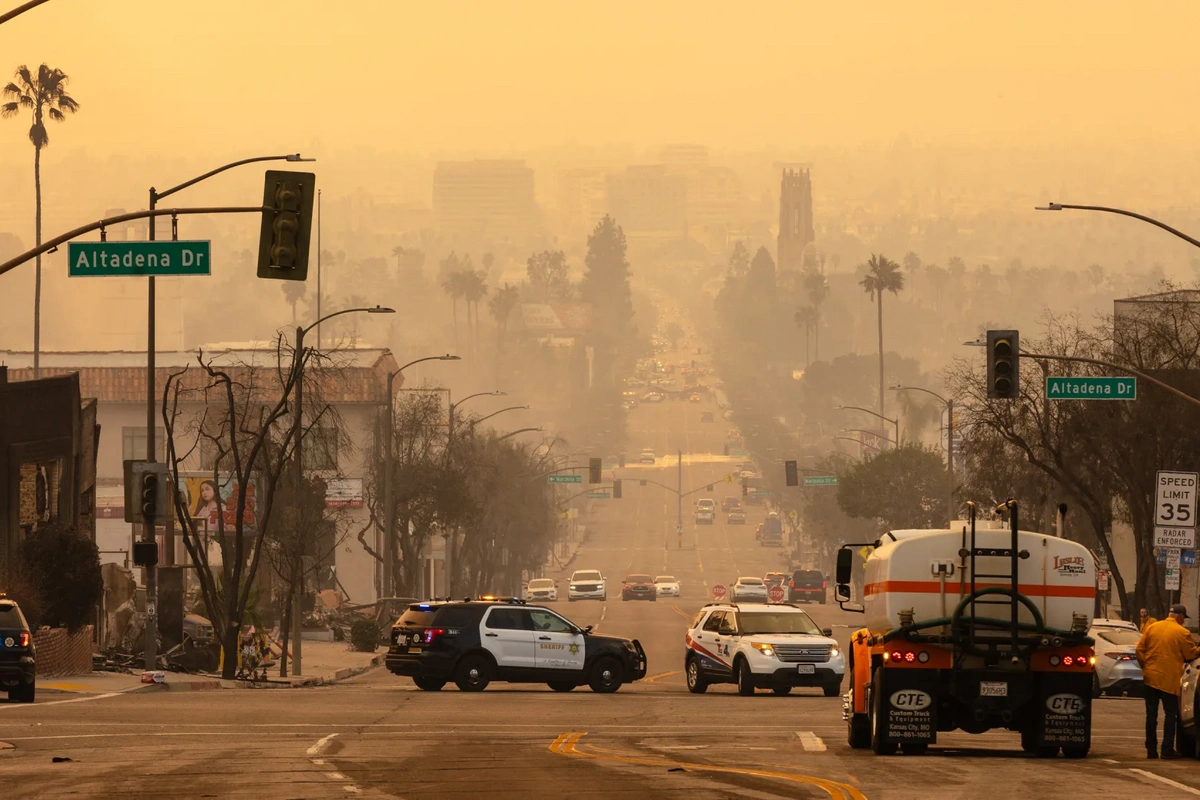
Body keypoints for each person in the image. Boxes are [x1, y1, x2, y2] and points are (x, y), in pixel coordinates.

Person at [1136, 603, 1199, 759]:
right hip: (1169, 680)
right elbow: (1190, 653)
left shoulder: (1153, 627)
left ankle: (1151, 750)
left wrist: (1146, 666)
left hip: (1150, 677)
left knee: (1151, 714)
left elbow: (1139, 649)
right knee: (1170, 715)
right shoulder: (1182, 632)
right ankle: (1167, 749)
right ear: (1179, 616)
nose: (1184, 621)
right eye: (1183, 618)